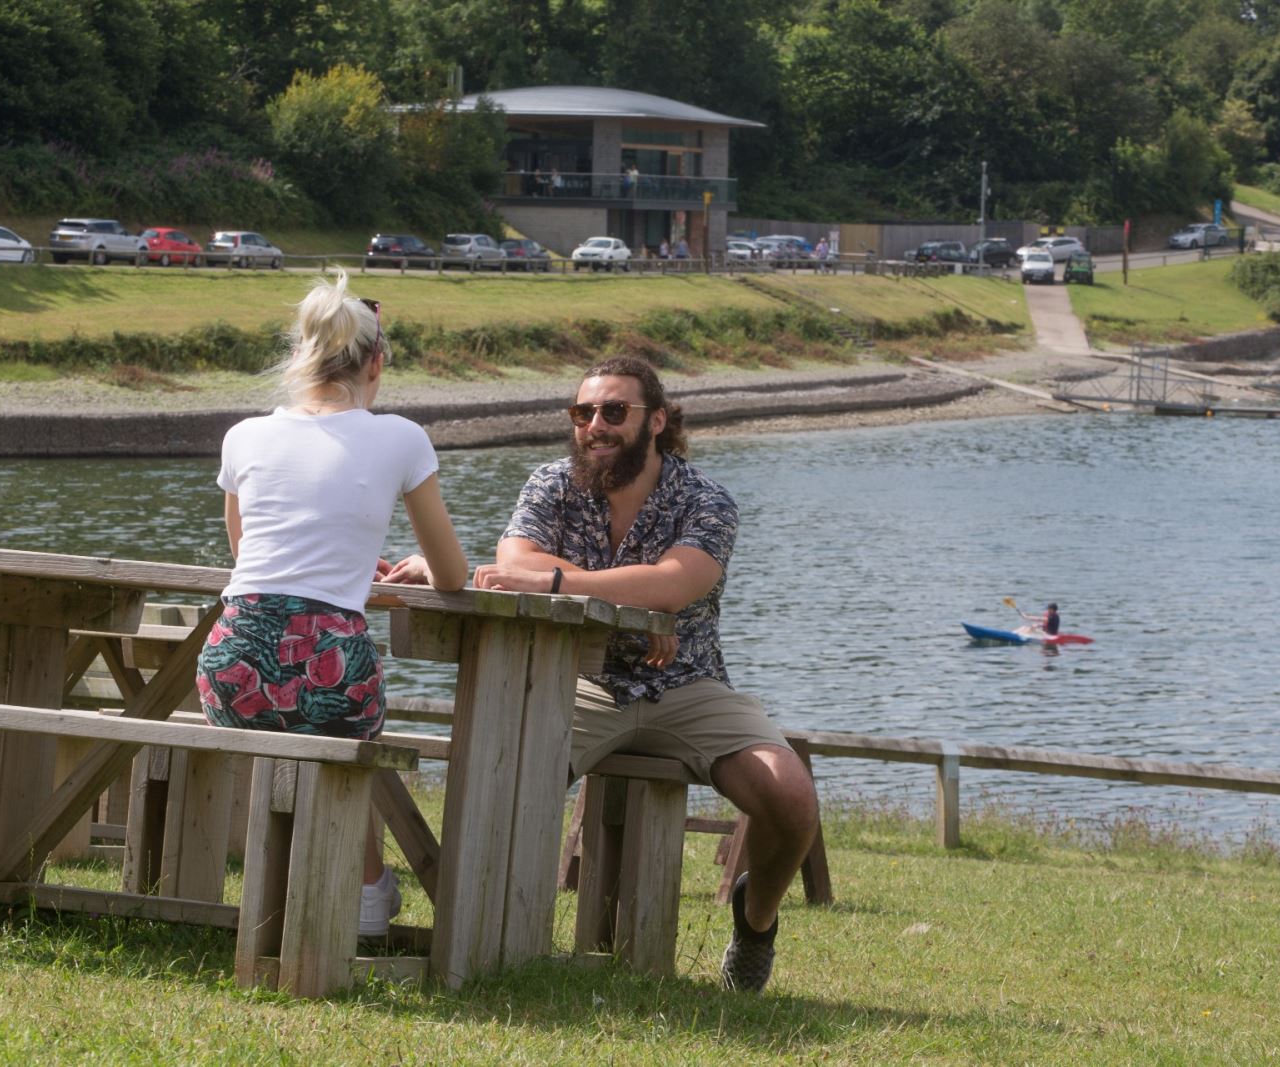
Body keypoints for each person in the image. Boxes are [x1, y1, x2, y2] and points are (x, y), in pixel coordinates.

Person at [473, 356, 819, 993]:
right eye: (584, 413)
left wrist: (583, 587)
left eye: (614, 411)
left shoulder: (706, 499)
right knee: (503, 771)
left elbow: (675, 583)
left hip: (688, 683)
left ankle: (755, 918)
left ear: (657, 421)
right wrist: (636, 608)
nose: (595, 426)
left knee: (791, 798)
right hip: (580, 680)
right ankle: (489, 940)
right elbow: (512, 559)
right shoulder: (551, 484)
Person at [196, 271, 469, 940]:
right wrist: (400, 568)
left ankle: (330, 897)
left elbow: (247, 559)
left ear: (302, 354)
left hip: (232, 665)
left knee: (292, 735)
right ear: (377, 362)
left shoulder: (244, 437)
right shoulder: (402, 437)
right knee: (343, 724)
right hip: (328, 665)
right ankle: (367, 894)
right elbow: (455, 575)